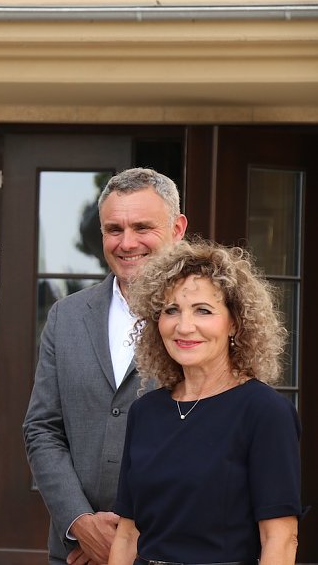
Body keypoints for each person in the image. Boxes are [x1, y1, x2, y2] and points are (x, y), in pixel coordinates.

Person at [23, 168, 188, 565]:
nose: (127, 243)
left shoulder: (200, 323)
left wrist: (131, 539)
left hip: (170, 548)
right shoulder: (65, 317)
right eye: (114, 229)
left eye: (142, 227)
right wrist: (80, 523)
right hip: (77, 553)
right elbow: (42, 429)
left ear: (177, 229)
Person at [109, 239, 301, 563]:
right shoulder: (145, 412)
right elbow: (128, 535)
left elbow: (280, 540)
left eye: (203, 310)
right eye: (171, 310)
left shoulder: (265, 411)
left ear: (234, 323)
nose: (184, 326)